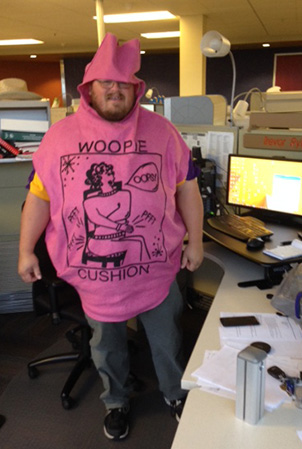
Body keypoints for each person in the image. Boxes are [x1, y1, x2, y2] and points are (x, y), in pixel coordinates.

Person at [18, 33, 204, 441]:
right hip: (95, 275)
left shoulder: (163, 132)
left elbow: (187, 188)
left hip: (157, 269)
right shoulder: (59, 138)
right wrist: (25, 250)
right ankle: (116, 401)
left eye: (123, 83)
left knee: (167, 338)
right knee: (107, 346)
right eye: (106, 82)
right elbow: (39, 199)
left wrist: (196, 239)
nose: (115, 89)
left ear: (136, 89)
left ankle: (175, 394)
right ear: (89, 88)